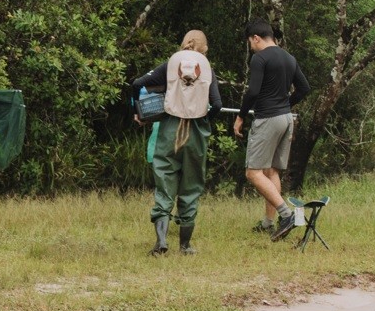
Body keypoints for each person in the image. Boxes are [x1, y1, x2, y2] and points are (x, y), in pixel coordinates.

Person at [131, 30, 222, 255]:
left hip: (169, 128)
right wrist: (204, 119)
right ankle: (185, 245)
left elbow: (137, 83)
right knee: (191, 186)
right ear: (204, 48)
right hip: (196, 132)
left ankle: (161, 242)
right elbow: (218, 105)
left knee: (165, 183)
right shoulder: (207, 68)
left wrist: (139, 113)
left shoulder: (169, 64)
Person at [233, 18, 311, 242]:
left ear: (256, 38)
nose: (251, 47)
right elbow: (304, 88)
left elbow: (253, 91)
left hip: (268, 118)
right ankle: (268, 223)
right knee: (272, 171)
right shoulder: (288, 57)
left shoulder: (260, 58)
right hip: (286, 118)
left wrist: (240, 116)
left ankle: (286, 215)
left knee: (253, 172)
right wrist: (286, 103)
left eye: (250, 42)